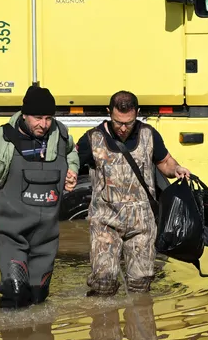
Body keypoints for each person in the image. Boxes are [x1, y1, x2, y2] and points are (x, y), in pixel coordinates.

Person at [0, 85, 79, 308]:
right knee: (16, 291)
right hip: (11, 233)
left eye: (48, 118)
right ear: (24, 114)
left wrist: (73, 170)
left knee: (39, 298)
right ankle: (10, 336)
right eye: (38, 118)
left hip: (46, 237)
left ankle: (36, 339)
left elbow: (72, 153)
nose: (44, 125)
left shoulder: (61, 135)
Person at [77, 90, 190, 295]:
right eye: (117, 122)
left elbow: (165, 162)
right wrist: (67, 176)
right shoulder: (92, 138)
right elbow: (72, 164)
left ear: (137, 113)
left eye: (128, 123)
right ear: (108, 112)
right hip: (105, 223)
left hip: (142, 225)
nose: (122, 128)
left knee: (140, 286)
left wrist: (177, 169)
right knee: (104, 284)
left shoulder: (149, 134)